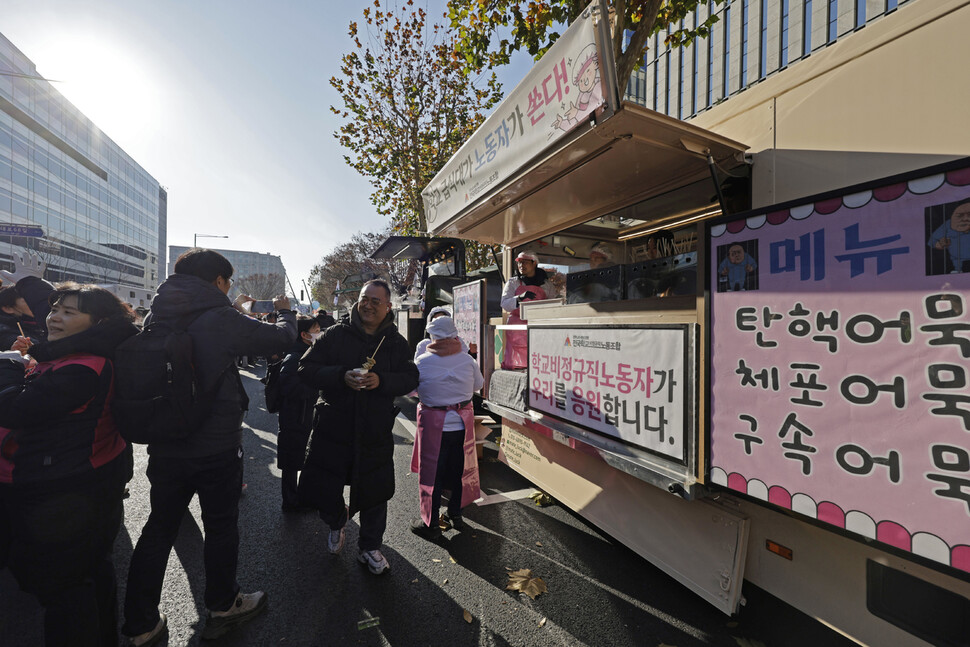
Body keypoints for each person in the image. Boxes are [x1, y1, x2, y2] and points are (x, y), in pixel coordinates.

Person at [122, 248, 296, 645]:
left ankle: (140, 623)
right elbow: (282, 339)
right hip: (215, 443)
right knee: (220, 526)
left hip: (165, 441)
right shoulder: (219, 317)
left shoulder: (158, 314)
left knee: (158, 528)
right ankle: (223, 604)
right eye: (228, 282)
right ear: (218, 281)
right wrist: (285, 311)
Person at [0, 284, 139, 646]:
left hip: (63, 489)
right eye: (55, 309)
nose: (55, 317)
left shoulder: (85, 366)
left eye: (69, 312)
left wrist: (8, 369)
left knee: (65, 593)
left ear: (98, 322)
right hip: (67, 481)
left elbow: (16, 410)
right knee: (90, 579)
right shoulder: (73, 355)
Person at [298, 279, 418, 575]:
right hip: (332, 427)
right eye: (365, 298)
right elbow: (304, 369)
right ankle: (337, 519)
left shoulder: (395, 342)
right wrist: (341, 376)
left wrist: (382, 381)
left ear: (388, 306)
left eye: (376, 301)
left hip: (374, 429)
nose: (368, 305)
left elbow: (411, 377)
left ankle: (370, 547)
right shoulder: (335, 335)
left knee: (375, 492)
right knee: (324, 488)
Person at [410, 316, 484, 540]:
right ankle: (456, 514)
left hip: (434, 427)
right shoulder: (467, 360)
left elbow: (410, 390)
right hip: (462, 425)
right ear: (454, 335)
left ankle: (430, 523)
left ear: (432, 336)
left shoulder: (421, 361)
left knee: (432, 474)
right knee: (460, 471)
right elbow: (478, 386)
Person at [277, 314, 322, 512]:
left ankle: (302, 498)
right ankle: (290, 502)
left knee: (304, 459)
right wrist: (316, 388)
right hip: (295, 418)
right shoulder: (295, 356)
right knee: (291, 463)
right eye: (316, 330)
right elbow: (287, 385)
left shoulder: (309, 352)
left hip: (304, 417)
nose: (319, 334)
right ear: (304, 334)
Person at [500, 251, 558, 369]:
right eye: (519, 263)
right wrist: (519, 298)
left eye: (525, 262)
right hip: (517, 329)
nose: (521, 266)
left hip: (539, 328)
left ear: (534, 263)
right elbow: (504, 304)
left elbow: (555, 306)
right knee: (517, 364)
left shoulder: (547, 285)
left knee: (538, 361)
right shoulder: (513, 282)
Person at [0, 248, 54, 350]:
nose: (35, 301)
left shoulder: (42, 323)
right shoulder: (5, 331)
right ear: (8, 308)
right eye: (27, 298)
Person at [928, 201, 970, 273]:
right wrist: (940, 244)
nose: (965, 218)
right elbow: (931, 241)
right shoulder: (948, 225)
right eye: (960, 215)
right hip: (958, 266)